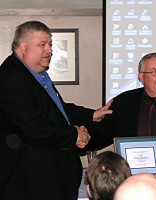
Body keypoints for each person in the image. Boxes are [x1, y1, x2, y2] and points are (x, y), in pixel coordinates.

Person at [0, 20, 112, 200]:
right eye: (42, 45)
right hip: (31, 183)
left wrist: (91, 114)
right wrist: (74, 135)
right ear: (23, 47)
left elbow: (56, 109)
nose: (49, 50)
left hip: (47, 178)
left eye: (50, 44)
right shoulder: (11, 80)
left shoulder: (35, 74)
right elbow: (34, 129)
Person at [87, 52, 156, 200]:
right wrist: (78, 138)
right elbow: (102, 134)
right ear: (141, 76)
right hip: (132, 187)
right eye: (155, 72)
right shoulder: (124, 102)